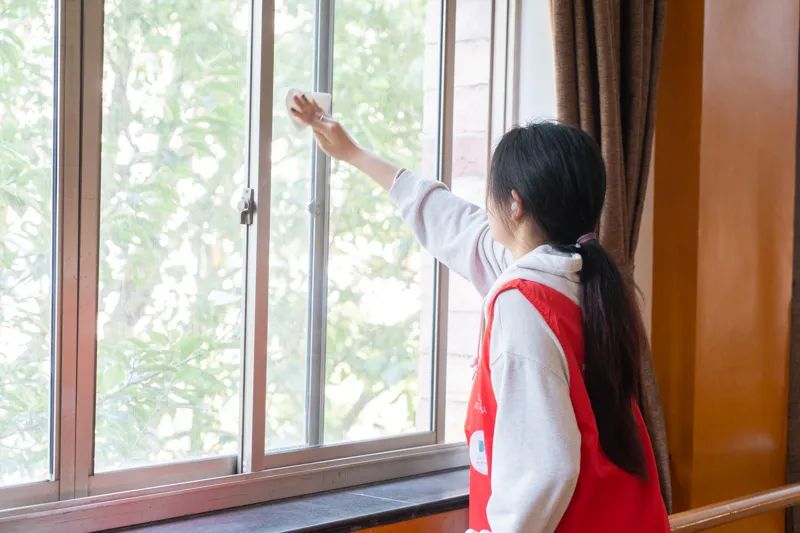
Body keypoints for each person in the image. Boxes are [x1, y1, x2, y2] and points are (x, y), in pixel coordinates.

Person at [290, 95, 670, 533]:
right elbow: (451, 221)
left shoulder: (524, 302)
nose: (484, 204)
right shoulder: (581, 279)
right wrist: (353, 153)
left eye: (490, 191)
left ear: (515, 204)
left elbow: (546, 469)